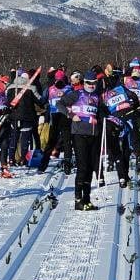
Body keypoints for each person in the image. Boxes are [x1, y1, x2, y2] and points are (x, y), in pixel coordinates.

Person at [61, 71, 103, 210]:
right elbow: (60, 104)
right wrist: (71, 115)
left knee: (90, 167)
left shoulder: (97, 97)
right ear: (84, 83)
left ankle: (87, 199)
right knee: (82, 167)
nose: (91, 85)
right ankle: (78, 200)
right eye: (89, 83)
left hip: (93, 134)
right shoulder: (77, 94)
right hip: (79, 134)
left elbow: (101, 112)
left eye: (94, 83)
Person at [101, 71, 140, 187]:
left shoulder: (105, 94)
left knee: (119, 148)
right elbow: (133, 97)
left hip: (115, 121)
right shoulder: (121, 88)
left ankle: (122, 174)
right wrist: (135, 106)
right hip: (125, 119)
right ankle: (125, 174)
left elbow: (103, 109)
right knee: (125, 147)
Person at [38, 71, 75, 174]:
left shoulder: (50, 89)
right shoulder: (69, 89)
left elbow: (42, 100)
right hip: (65, 116)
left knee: (52, 140)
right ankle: (67, 165)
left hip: (55, 116)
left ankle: (42, 166)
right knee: (66, 141)